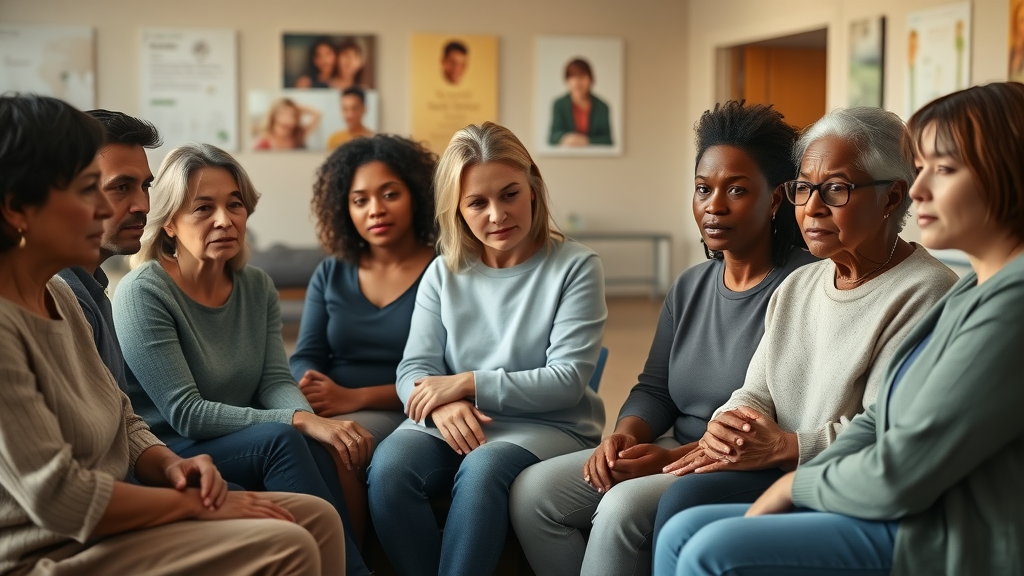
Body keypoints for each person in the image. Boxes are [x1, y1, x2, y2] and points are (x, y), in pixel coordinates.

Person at [653, 81, 1024, 576]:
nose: (920, 189)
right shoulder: (971, 290)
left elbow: (903, 463)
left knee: (708, 547)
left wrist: (795, 475)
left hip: (934, 528)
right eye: (804, 188)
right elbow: (873, 419)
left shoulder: (982, 298)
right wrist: (731, 423)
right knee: (684, 530)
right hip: (859, 484)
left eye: (945, 169)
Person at [0, 94, 344, 576]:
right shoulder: (74, 302)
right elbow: (63, 499)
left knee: (317, 517)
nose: (131, 206)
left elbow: (122, 416)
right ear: (18, 208)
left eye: (142, 187)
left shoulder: (62, 296)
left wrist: (169, 467)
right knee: (288, 536)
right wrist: (192, 505)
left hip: (116, 508)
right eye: (87, 191)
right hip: (52, 551)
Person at [510, 101, 816, 576]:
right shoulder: (691, 286)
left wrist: (666, 459)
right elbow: (654, 389)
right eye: (702, 188)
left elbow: (776, 420)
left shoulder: (805, 286)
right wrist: (623, 437)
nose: (714, 205)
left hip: (741, 466)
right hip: (675, 445)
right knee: (533, 493)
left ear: (776, 200)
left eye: (736, 189)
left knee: (620, 507)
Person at [113, 143, 370, 576]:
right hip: (170, 450)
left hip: (238, 440)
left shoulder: (256, 285)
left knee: (310, 438)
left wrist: (312, 424)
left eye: (235, 204)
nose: (224, 219)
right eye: (203, 208)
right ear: (171, 223)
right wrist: (300, 422)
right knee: (286, 437)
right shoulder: (143, 293)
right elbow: (186, 414)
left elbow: (273, 379)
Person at [366, 122, 607, 576]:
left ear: (533, 186)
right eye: (477, 202)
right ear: (457, 209)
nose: (497, 214)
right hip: (454, 419)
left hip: (547, 424)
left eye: (509, 194)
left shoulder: (576, 266)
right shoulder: (443, 273)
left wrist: (465, 385)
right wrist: (439, 409)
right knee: (390, 470)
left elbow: (567, 382)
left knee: (482, 469)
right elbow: (413, 368)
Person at [290, 134, 438, 543]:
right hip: (335, 402)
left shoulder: (444, 270)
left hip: (408, 406)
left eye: (389, 194)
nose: (375, 210)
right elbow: (306, 354)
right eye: (360, 200)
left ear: (416, 195)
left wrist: (354, 399)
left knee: (343, 445)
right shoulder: (332, 272)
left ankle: (350, 565)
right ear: (344, 208)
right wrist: (308, 385)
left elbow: (452, 372)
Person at [56, 109, 160, 396]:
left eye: (145, 186)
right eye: (121, 187)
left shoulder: (91, 287)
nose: (143, 205)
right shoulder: (61, 296)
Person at [549, 58, 612, 147]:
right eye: (573, 77)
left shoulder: (602, 107)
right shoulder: (559, 104)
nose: (577, 82)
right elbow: (552, 137)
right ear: (567, 80)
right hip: (566, 157)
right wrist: (565, 138)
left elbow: (608, 140)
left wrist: (587, 141)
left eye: (582, 76)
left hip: (595, 158)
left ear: (590, 79)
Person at [254, 97, 321, 150]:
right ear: (274, 116)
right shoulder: (263, 143)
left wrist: (299, 108)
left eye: (292, 114)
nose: (289, 118)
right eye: (284, 113)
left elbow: (317, 114)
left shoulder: (298, 136)